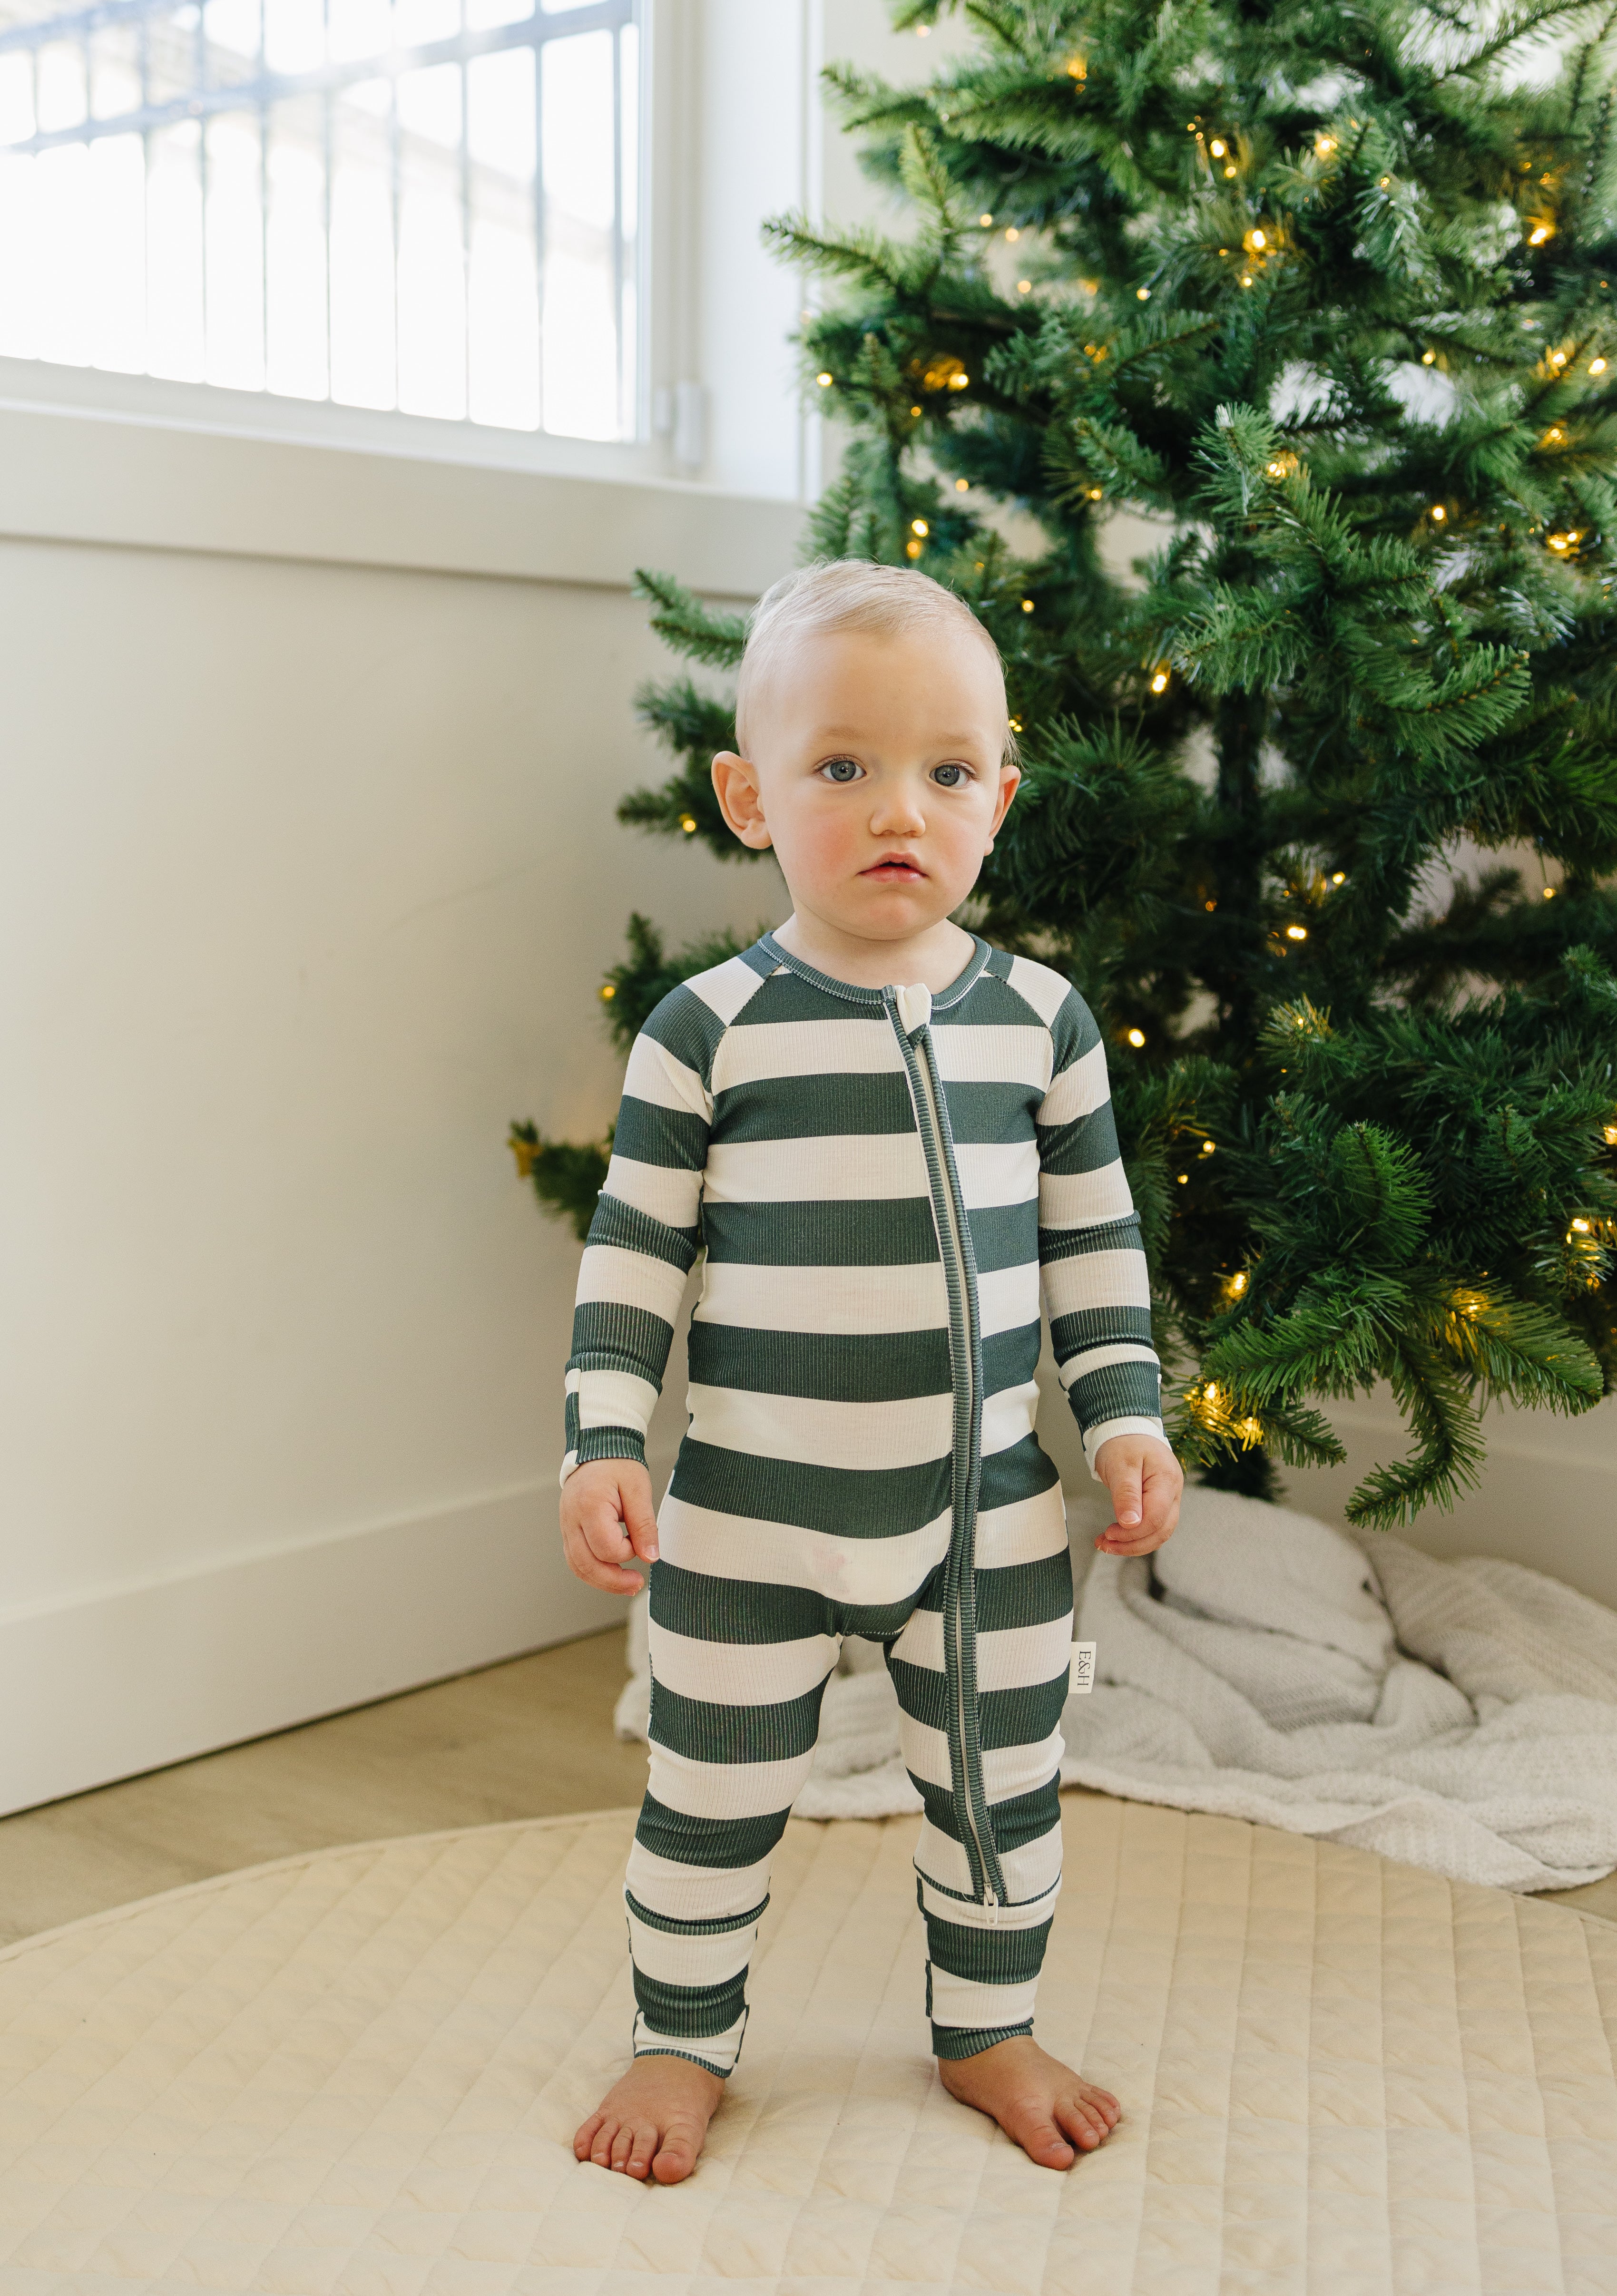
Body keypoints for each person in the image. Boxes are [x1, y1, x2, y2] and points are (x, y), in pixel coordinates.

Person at [559, 558, 1183, 2185]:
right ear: (746, 797)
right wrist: (602, 1437)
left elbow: (1094, 1243)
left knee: (1003, 1792)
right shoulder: (708, 1028)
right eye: (841, 765)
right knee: (706, 1797)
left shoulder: (1040, 1021)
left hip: (985, 1515)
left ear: (1001, 798)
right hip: (747, 1516)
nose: (900, 807)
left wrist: (1125, 1413)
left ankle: (987, 2029)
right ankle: (679, 2037)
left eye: (948, 770)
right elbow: (633, 1254)